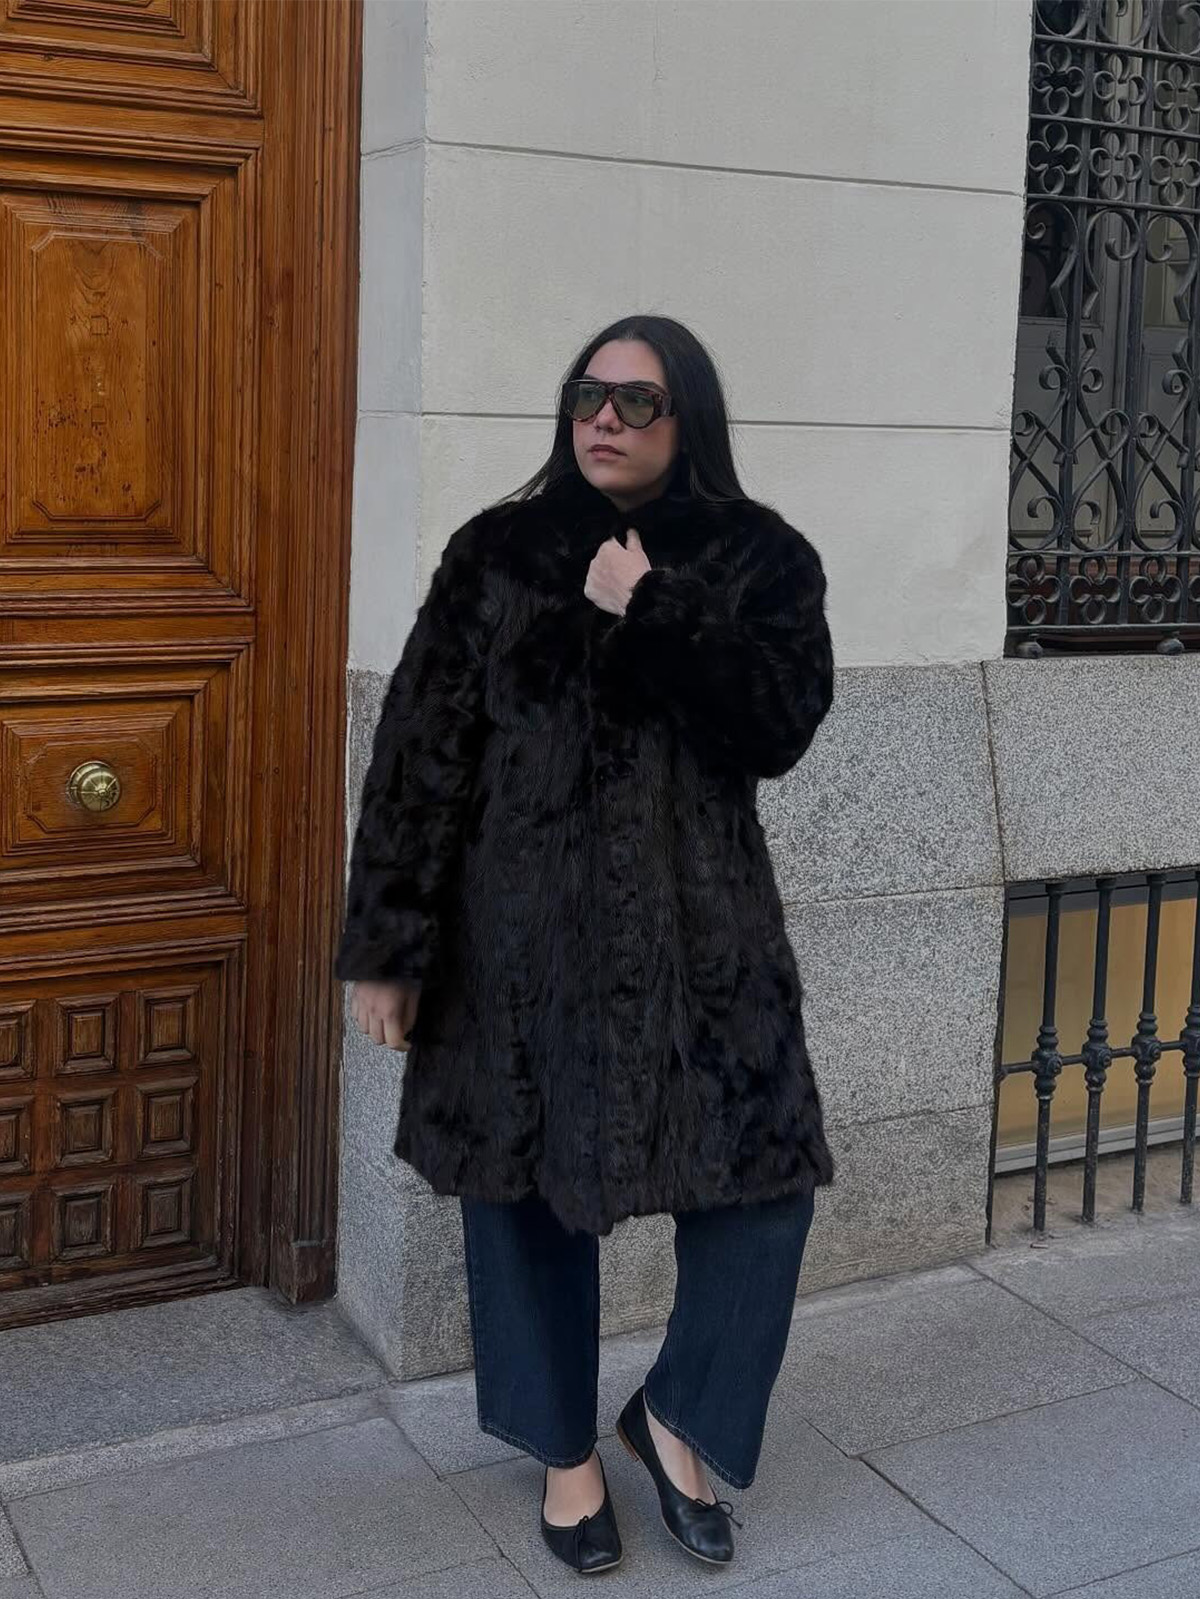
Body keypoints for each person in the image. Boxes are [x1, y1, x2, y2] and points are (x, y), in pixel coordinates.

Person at [336, 313, 836, 1576]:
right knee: (521, 1197)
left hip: (706, 952)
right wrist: (388, 948)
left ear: (690, 421)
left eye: (638, 399)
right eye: (587, 394)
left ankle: (675, 1415)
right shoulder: (497, 555)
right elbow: (418, 757)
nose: (605, 417)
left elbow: (778, 725)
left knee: (765, 1192)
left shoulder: (761, 558)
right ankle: (565, 1460)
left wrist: (654, 607)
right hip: (518, 952)